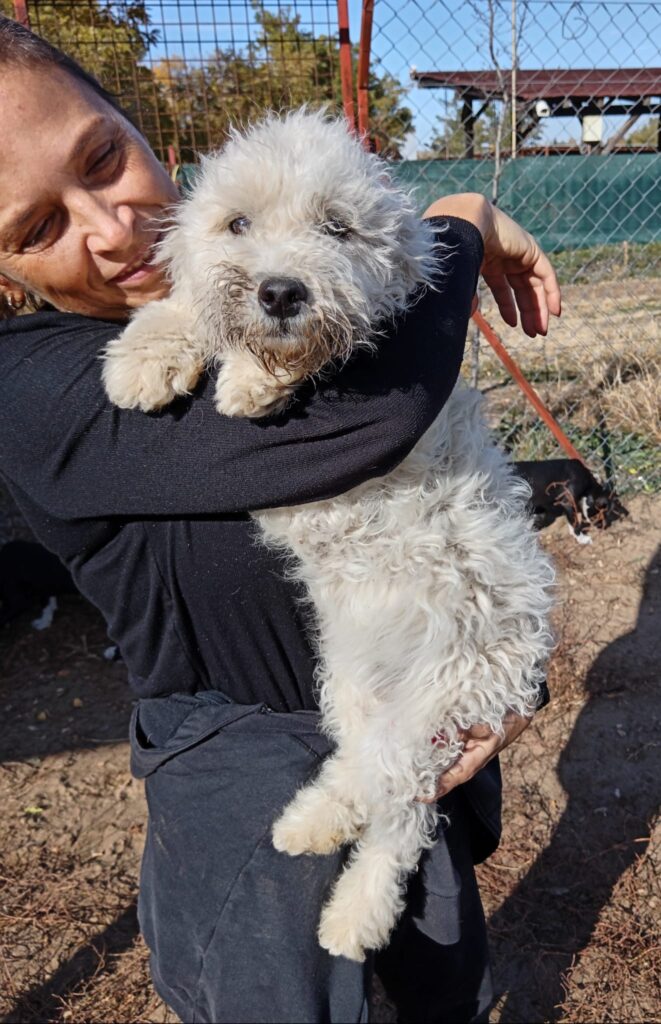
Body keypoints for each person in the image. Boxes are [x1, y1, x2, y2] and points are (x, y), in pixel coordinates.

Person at [0, 16, 561, 1024]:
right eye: (38, 228)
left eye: (103, 158)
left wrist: (502, 667)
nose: (113, 230)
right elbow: (371, 419)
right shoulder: (32, 388)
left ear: (144, 128)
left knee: (441, 983)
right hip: (234, 775)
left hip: (404, 710)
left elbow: (441, 488)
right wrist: (461, 223)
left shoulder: (246, 267)